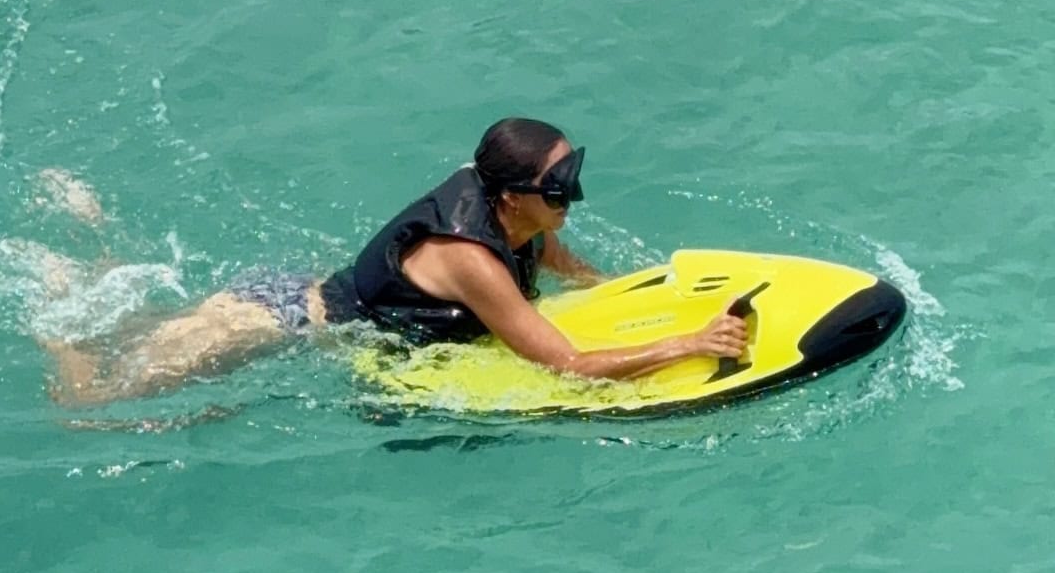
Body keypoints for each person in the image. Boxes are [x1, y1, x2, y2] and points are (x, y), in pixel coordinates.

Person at [38, 117, 747, 404]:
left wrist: (635, 294)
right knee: (96, 403)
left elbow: (561, 261)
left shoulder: (523, 217)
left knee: (140, 328)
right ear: (510, 195)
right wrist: (691, 342)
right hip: (279, 322)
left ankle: (93, 266)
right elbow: (559, 364)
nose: (572, 196)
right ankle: (57, 323)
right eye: (558, 186)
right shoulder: (469, 256)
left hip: (299, 300)